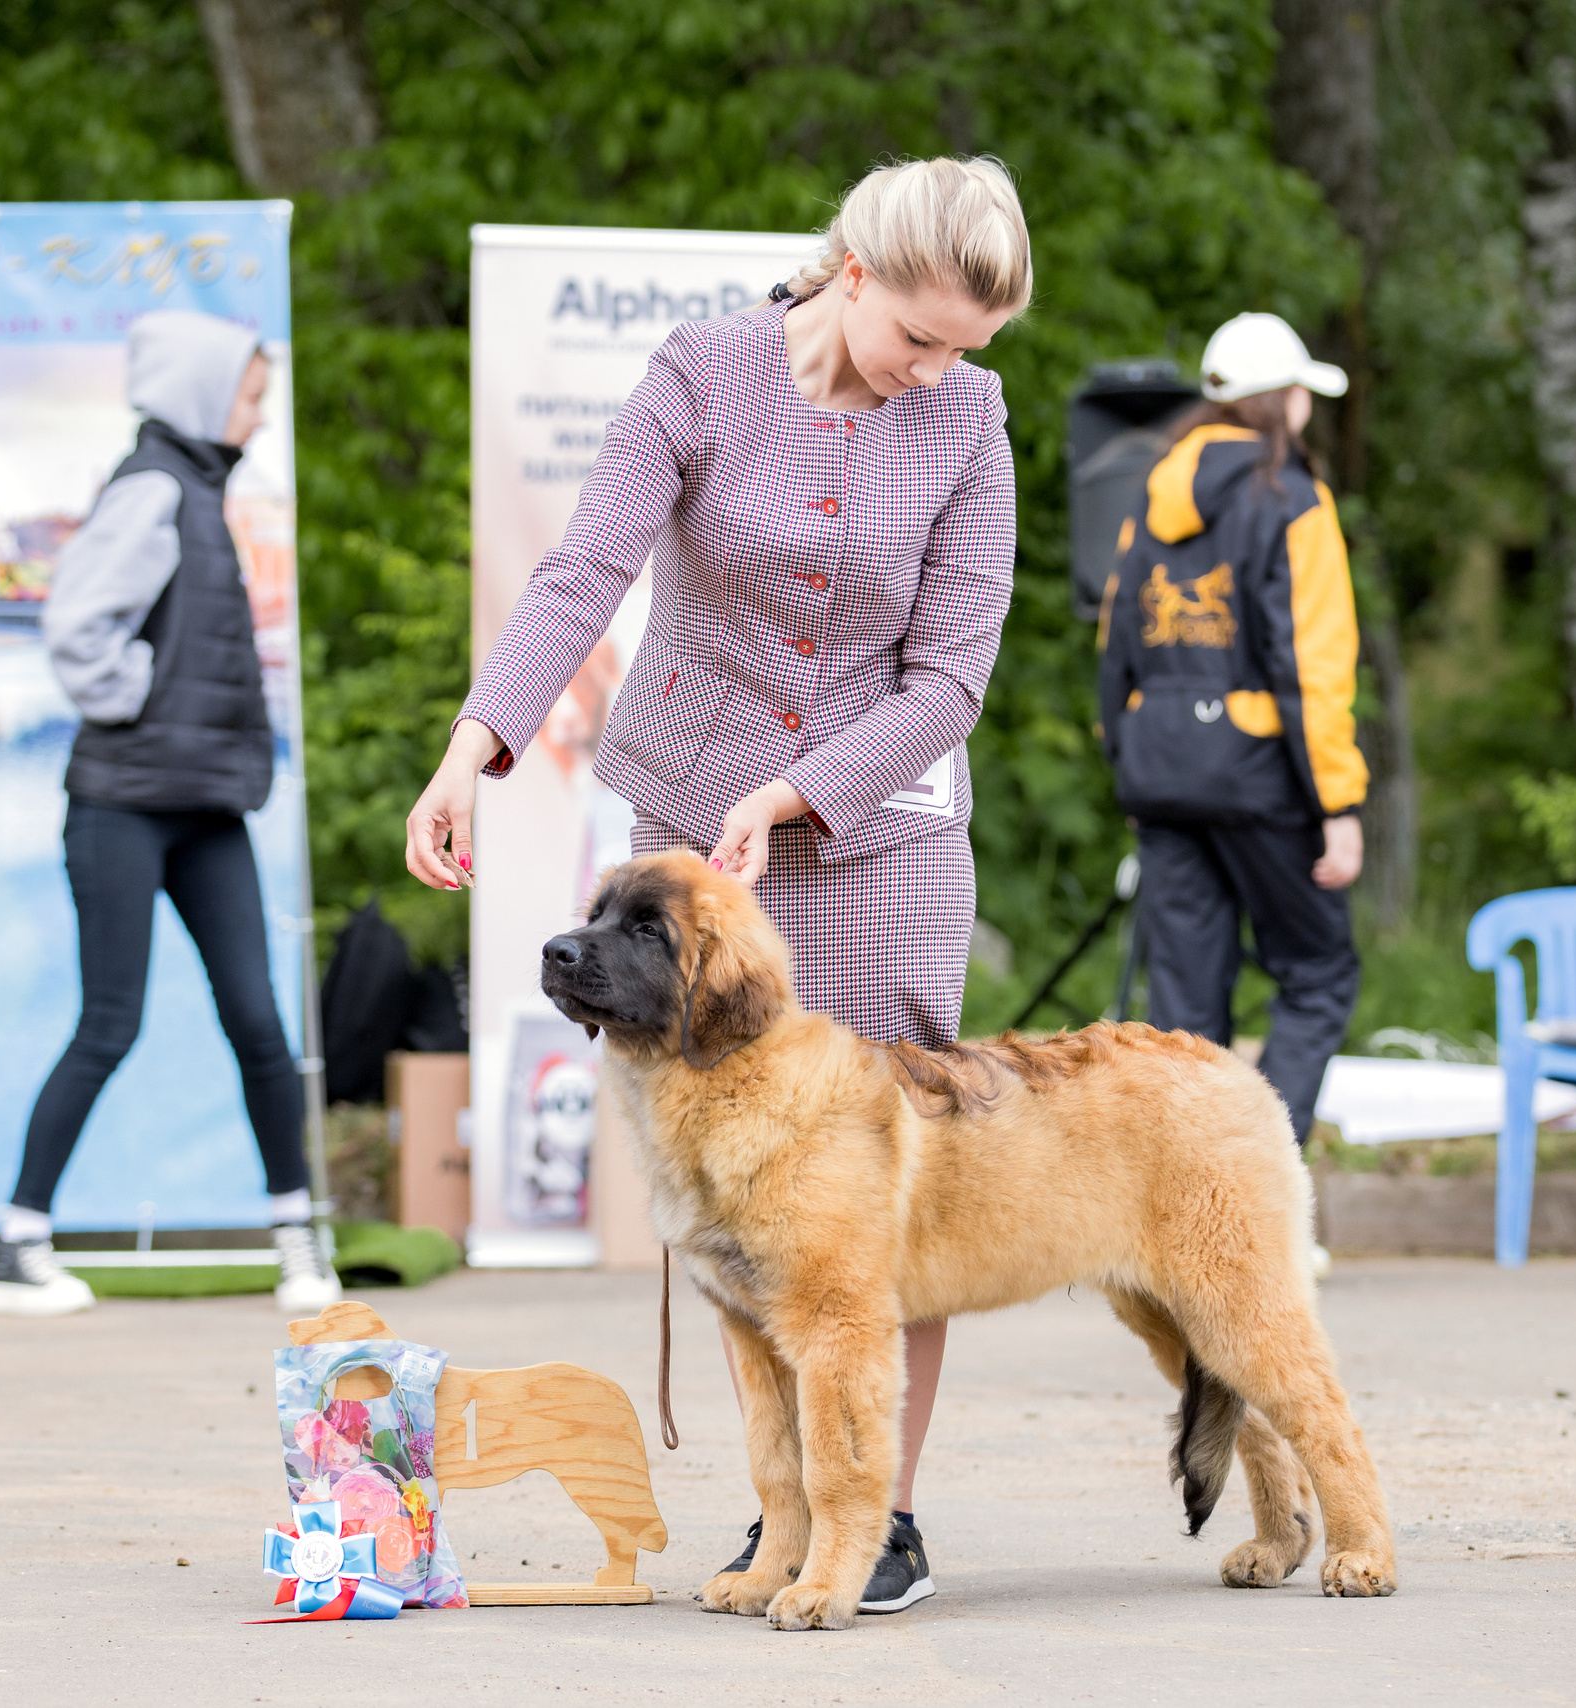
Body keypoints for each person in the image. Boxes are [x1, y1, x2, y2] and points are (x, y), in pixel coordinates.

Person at [404, 156, 1031, 1614]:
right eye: (920, 339)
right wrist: (470, 746)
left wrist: (804, 788)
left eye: (967, 352)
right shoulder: (702, 373)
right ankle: (779, 1504)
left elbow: (950, 676)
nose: (939, 372)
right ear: (853, 273)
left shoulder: (969, 421)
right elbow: (583, 572)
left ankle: (883, 1517)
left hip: (880, 838)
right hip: (691, 822)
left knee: (878, 1200)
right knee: (731, 1192)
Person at [0, 308, 340, 1320]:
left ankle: (298, 1246)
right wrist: (138, 693)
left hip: (205, 805)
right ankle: (19, 1246)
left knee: (260, 1024)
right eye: (250, 393)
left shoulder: (201, 490)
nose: (260, 415)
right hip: (122, 805)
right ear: (197, 392)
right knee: (109, 1022)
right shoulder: (151, 489)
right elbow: (76, 627)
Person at [1096, 311, 1366, 1260]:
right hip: (1261, 779)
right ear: (1283, 400)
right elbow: (1315, 667)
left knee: (1188, 1016)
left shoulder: (1148, 497)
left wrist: (1128, 759)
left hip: (1162, 777)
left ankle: (1183, 1227)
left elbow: (1113, 646)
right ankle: (1254, 1204)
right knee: (1320, 972)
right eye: (1303, 393)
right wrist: (1338, 804)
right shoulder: (1290, 499)